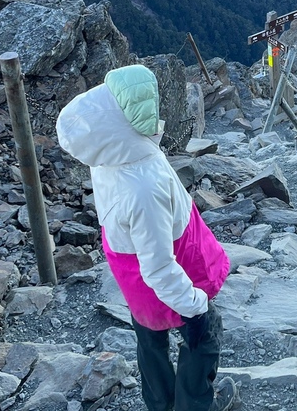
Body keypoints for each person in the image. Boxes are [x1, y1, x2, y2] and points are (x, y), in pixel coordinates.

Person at [56, 64, 238, 411]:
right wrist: (197, 309)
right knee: (204, 334)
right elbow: (159, 269)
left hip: (131, 269)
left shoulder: (107, 151)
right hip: (170, 263)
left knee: (149, 335)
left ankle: (160, 403)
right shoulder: (142, 187)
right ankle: (192, 406)